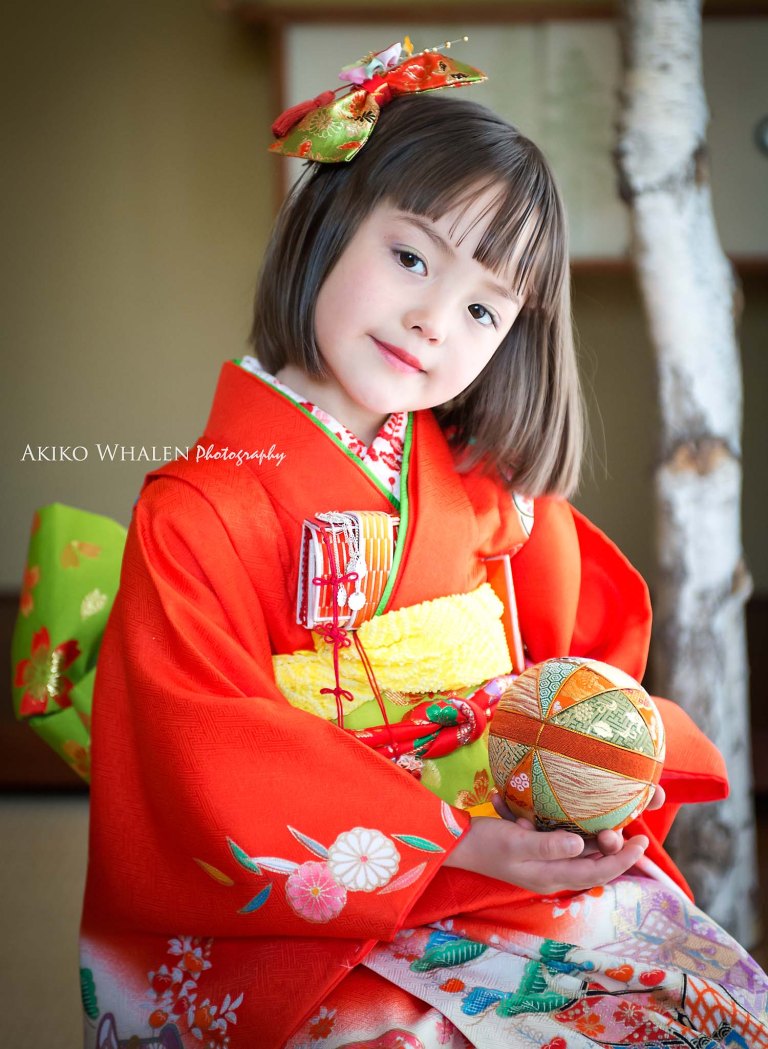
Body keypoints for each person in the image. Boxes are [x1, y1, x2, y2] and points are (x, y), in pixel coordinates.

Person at [75, 42, 767, 1049]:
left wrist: (577, 784)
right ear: (327, 224)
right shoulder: (197, 511)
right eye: (410, 257)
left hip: (501, 856)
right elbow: (199, 757)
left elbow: (567, 664)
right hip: (318, 897)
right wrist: (445, 843)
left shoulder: (490, 492)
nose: (433, 320)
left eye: (484, 307)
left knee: (708, 1002)